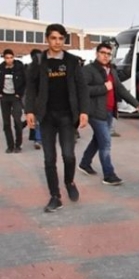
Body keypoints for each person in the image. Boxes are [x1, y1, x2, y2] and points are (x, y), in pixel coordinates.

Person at [25, 23, 89, 212]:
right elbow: (31, 88)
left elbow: (81, 88)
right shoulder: (39, 62)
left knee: (68, 155)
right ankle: (55, 196)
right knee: (49, 158)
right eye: (53, 38)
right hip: (47, 117)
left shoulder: (72, 61)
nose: (57, 42)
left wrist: (84, 111)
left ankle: (69, 181)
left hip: (67, 116)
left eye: (61, 38)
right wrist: (29, 111)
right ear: (47, 39)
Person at [79, 43, 139, 186]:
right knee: (105, 143)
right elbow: (83, 90)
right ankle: (109, 174)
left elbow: (119, 88)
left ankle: (84, 163)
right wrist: (103, 88)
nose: (106, 56)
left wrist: (134, 102)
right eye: (103, 53)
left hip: (108, 111)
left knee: (98, 140)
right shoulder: (88, 70)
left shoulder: (111, 70)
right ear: (97, 53)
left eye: (108, 54)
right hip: (95, 112)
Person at [0, 49, 26, 153]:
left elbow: (25, 81)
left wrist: (19, 94)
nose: (9, 60)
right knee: (6, 123)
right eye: (7, 58)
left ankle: (18, 144)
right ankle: (10, 145)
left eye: (11, 57)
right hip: (4, 97)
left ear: (13, 57)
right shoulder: (1, 68)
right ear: (4, 58)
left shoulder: (19, 67)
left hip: (15, 97)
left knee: (17, 121)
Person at [26, 48, 42, 149]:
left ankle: (38, 139)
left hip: (35, 98)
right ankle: (39, 138)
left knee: (37, 120)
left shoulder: (30, 67)